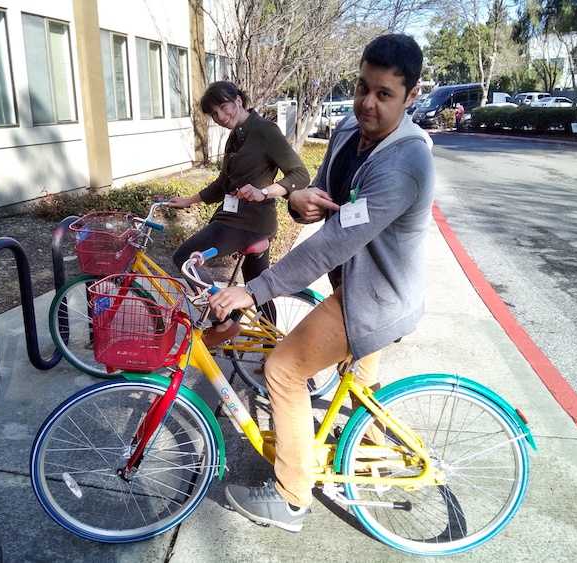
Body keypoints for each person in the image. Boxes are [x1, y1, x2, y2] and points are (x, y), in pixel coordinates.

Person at [208, 34, 435, 532]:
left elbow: (333, 243)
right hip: (353, 286)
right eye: (361, 87)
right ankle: (373, 452)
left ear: (411, 96)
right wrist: (299, 201)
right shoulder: (350, 131)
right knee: (361, 390)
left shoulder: (405, 162)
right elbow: (323, 195)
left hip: (373, 298)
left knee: (284, 370)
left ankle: (291, 499)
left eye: (384, 94)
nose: (367, 104)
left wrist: (254, 289)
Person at [169, 81, 310, 348]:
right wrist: (188, 200)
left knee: (184, 258)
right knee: (259, 287)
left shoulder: (265, 130)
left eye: (224, 107)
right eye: (214, 113)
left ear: (238, 100)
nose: (221, 117)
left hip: (248, 223)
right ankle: (273, 350)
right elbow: (224, 183)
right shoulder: (236, 135)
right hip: (241, 221)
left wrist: (264, 192)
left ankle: (222, 323)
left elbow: (300, 175)